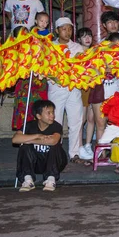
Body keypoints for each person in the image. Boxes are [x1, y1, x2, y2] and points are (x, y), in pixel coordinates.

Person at [47, 17, 86, 165]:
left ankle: (74, 154)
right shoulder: (50, 47)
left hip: (74, 89)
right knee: (54, 121)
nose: (67, 32)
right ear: (57, 30)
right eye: (64, 29)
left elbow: (84, 68)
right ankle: (55, 152)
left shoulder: (77, 47)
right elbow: (45, 68)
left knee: (76, 122)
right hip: (56, 89)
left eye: (69, 29)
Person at [14, 100, 67, 192]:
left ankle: (51, 179)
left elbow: (53, 141)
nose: (52, 115)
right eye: (48, 113)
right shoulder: (30, 126)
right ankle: (28, 180)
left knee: (55, 147)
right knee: (24, 147)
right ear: (38, 116)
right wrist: (38, 136)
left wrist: (29, 140)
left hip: (53, 162)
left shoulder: (56, 126)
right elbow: (15, 139)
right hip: (36, 163)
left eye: (53, 112)